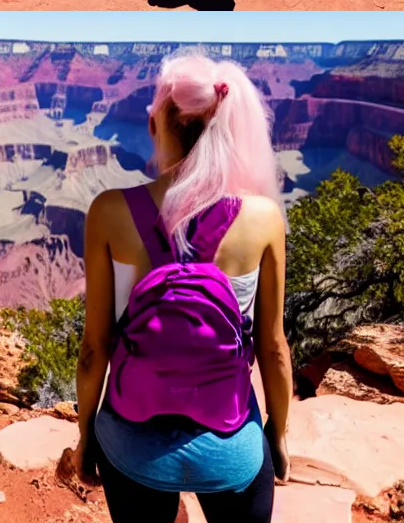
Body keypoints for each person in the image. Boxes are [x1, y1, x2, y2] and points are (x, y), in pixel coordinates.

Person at [60, 53, 293, 523]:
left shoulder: (108, 212)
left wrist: (87, 436)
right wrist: (278, 434)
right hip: (232, 449)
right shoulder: (264, 217)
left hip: (130, 448)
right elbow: (272, 348)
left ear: (155, 127)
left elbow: (93, 349)